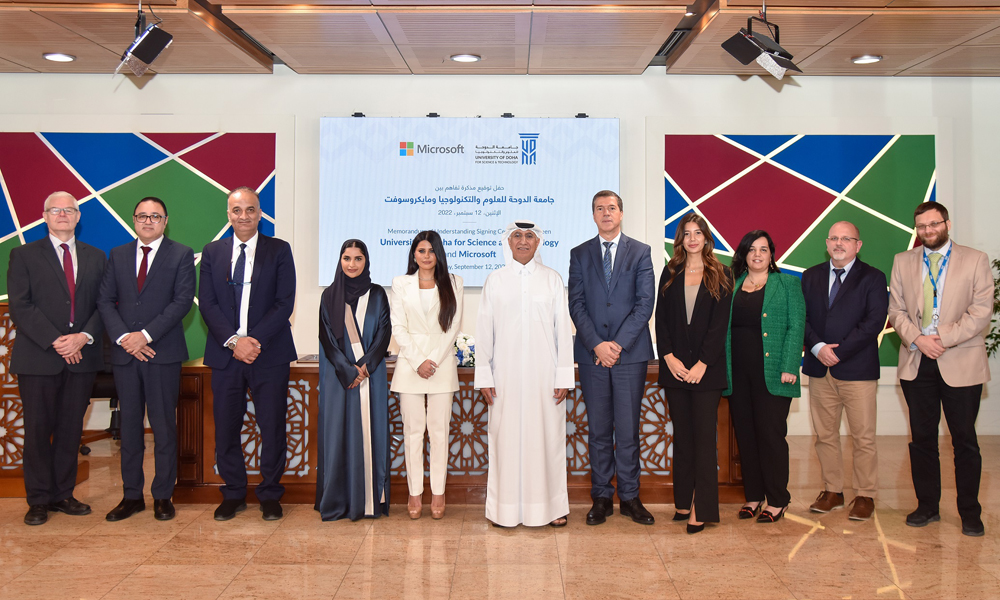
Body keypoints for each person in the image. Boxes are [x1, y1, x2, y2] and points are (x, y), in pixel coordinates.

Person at [888, 201, 991, 537]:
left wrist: (941, 338)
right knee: (922, 440)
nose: (928, 231)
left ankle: (970, 512)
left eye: (933, 224)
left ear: (946, 223)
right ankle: (927, 506)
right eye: (922, 227)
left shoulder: (975, 260)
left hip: (960, 360)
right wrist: (919, 338)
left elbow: (980, 313)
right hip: (917, 362)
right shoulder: (903, 261)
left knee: (964, 441)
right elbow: (897, 309)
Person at [8, 191, 106, 526]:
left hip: (82, 355)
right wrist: (56, 340)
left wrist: (82, 337)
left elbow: (103, 306)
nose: (62, 214)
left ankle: (63, 493)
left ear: (78, 216)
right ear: (44, 216)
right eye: (55, 210)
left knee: (69, 429)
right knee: (37, 430)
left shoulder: (97, 257)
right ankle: (37, 499)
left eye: (69, 210)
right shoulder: (22, 255)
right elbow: (21, 306)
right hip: (38, 357)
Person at [198, 186, 297, 522]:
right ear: (228, 214)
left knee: (272, 427)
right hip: (226, 356)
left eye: (250, 210)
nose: (243, 216)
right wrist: (233, 341)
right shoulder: (212, 252)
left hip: (268, 354)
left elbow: (285, 303)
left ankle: (270, 494)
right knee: (226, 427)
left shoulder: (279, 250)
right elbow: (207, 304)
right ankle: (234, 493)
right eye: (237, 210)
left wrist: (252, 341)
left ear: (260, 213)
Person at [97, 197, 196, 522]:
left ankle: (162, 495)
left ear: (165, 221)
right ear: (134, 220)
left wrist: (146, 336)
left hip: (162, 353)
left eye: (155, 216)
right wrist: (126, 338)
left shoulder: (180, 254)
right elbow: (105, 300)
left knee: (164, 426)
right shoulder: (118, 254)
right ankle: (131, 496)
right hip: (126, 355)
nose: (149, 221)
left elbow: (182, 301)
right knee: (129, 427)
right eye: (143, 216)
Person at [475, 221, 574, 528]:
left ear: (538, 242)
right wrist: (485, 377)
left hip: (545, 379)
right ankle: (503, 510)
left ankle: (553, 508)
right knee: (505, 440)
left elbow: (563, 331)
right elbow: (484, 331)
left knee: (547, 440)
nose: (523, 240)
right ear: (508, 241)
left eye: (529, 235)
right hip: (504, 378)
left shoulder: (552, 280)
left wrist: (563, 378)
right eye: (516, 235)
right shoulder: (495, 280)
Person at [568, 190, 656, 526]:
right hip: (592, 357)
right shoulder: (580, 254)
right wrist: (597, 345)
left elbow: (644, 304)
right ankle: (601, 497)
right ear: (593, 215)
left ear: (621, 213)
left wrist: (616, 344)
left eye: (612, 208)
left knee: (629, 430)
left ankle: (631, 497)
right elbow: (576, 304)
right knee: (599, 431)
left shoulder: (641, 252)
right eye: (600, 209)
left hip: (629, 356)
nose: (606, 213)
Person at [801, 221, 888, 522]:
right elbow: (803, 319)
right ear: (826, 243)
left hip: (858, 370)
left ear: (858, 245)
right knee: (825, 436)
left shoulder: (873, 278)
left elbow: (874, 321)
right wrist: (817, 348)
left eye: (846, 239)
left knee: (863, 437)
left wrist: (837, 352)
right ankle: (832, 491)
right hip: (818, 367)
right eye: (834, 238)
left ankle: (865, 495)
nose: (839, 244)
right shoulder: (810, 276)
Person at [654, 213, 733, 534]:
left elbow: (719, 327)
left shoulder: (722, 273)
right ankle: (683, 500)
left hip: (707, 373)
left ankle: (704, 508)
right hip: (675, 370)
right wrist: (669, 357)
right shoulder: (670, 272)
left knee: (703, 439)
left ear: (706, 237)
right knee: (683, 438)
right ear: (680, 240)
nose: (693, 238)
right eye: (687, 233)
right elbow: (661, 320)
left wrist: (703, 363)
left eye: (698, 232)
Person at [724, 230, 805, 523]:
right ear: (744, 255)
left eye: (763, 249)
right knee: (745, 436)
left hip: (773, 374)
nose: (757, 254)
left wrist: (789, 366)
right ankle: (754, 496)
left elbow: (796, 327)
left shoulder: (787, 284)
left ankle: (777, 499)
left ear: (772, 254)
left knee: (771, 436)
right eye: (751, 250)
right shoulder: (731, 285)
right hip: (737, 375)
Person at [389, 231, 463, 520]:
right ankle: (415, 492)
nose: (427, 255)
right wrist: (419, 360)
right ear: (414, 254)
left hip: (442, 365)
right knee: (413, 431)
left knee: (439, 432)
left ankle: (439, 492)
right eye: (421, 250)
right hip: (410, 365)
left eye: (432, 250)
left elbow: (453, 326)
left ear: (438, 254)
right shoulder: (401, 283)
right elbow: (398, 327)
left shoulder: (453, 282)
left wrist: (433, 360)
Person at [316, 239, 391, 521]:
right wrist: (347, 370)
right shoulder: (329, 296)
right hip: (340, 379)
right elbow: (326, 337)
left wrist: (365, 366)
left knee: (370, 433)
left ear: (366, 261)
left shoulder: (378, 294)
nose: (352, 264)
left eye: (358, 258)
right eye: (347, 258)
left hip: (369, 377)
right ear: (340, 260)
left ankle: (369, 500)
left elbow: (384, 332)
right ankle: (337, 500)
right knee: (337, 435)